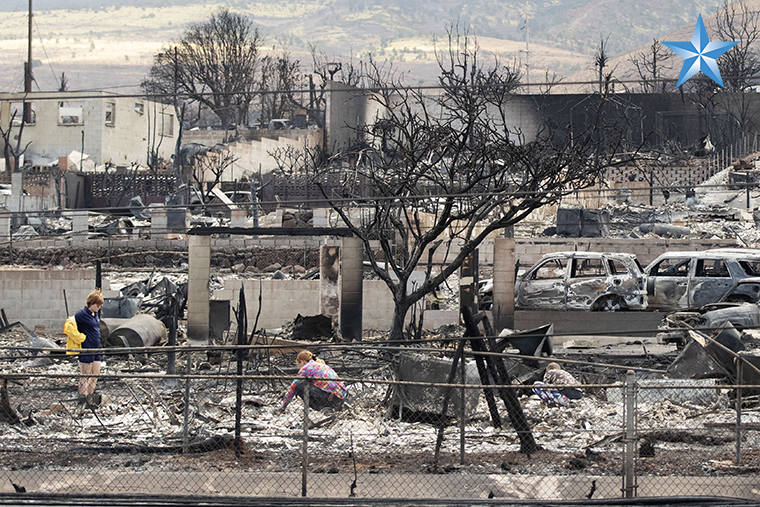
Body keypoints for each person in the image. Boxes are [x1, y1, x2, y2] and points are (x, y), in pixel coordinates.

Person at [280, 350, 347, 412]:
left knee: (299, 387)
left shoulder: (306, 368)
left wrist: (283, 406)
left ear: (302, 361)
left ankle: (323, 408)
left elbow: (293, 386)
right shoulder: (321, 365)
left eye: (299, 364)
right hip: (341, 396)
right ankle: (333, 406)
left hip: (331, 398)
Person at [75, 290, 104, 410]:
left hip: (96, 347)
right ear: (90, 303)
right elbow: (71, 324)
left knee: (96, 372)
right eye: (97, 305)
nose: (99, 308)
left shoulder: (95, 314)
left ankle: (90, 395)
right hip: (87, 347)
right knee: (85, 373)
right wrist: (78, 337)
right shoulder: (81, 314)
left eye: (100, 306)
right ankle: (83, 397)